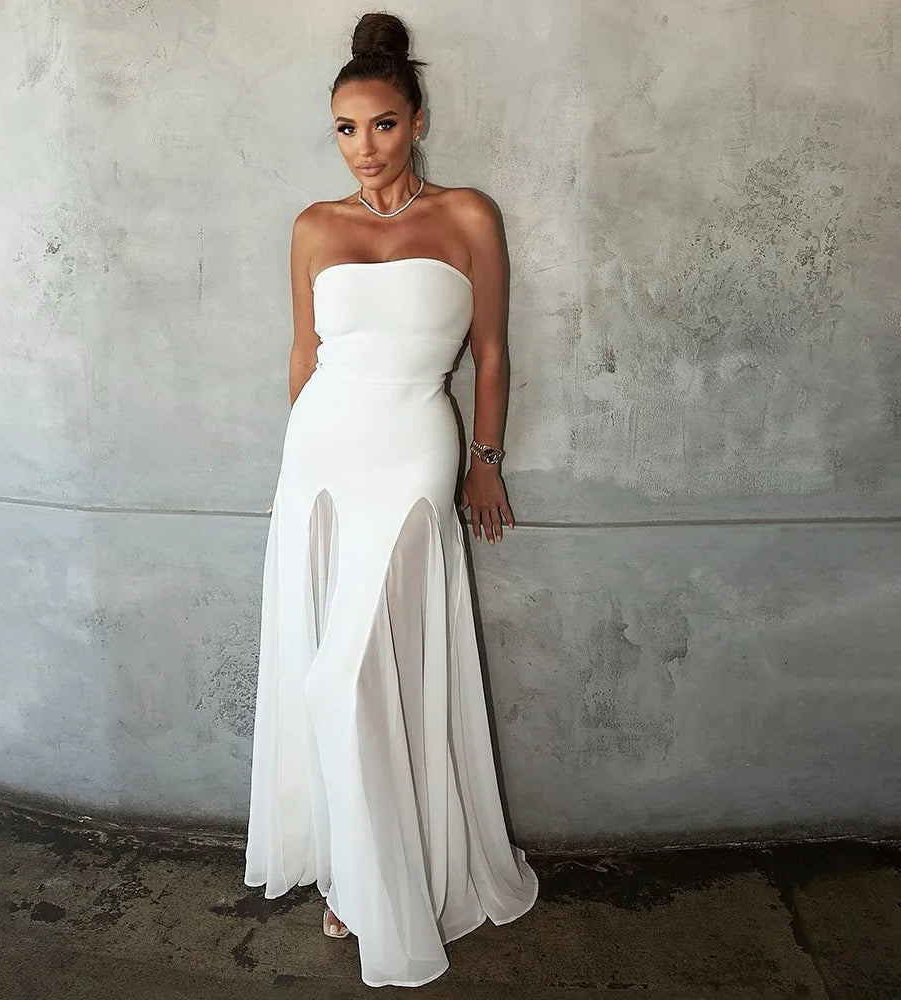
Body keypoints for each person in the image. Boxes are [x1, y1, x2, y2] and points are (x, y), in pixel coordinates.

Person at [243, 11, 539, 989]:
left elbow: (490, 352)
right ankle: (355, 868)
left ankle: (388, 865)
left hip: (415, 443)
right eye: (342, 127)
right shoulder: (313, 226)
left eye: (379, 125)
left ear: (415, 121)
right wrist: (303, 463)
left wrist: (484, 456)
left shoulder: (466, 216)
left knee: (358, 669)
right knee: (339, 667)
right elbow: (302, 354)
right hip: (321, 449)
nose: (361, 148)